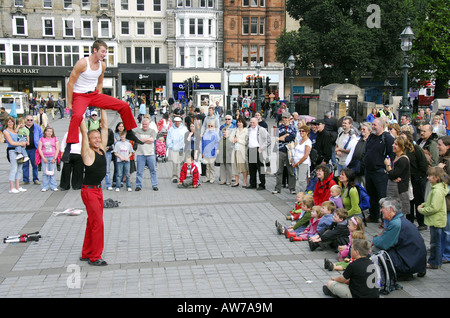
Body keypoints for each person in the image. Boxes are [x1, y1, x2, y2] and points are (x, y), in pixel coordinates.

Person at [63, 40, 140, 163]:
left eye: (106, 52)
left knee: (124, 105)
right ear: (95, 50)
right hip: (79, 96)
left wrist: (99, 100)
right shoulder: (83, 63)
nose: (105, 54)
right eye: (103, 51)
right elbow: (70, 83)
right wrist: (70, 103)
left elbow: (100, 82)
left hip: (93, 95)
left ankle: (129, 131)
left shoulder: (102, 65)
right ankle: (69, 146)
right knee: (77, 116)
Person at [79, 109, 109, 266]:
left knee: (92, 222)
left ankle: (86, 252)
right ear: (89, 141)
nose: (97, 140)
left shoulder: (102, 149)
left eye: (98, 137)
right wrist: (79, 114)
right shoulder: (87, 153)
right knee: (98, 224)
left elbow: (104, 127)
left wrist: (102, 106)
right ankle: (95, 257)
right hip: (89, 191)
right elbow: (84, 131)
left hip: (97, 190)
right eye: (94, 138)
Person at [372, 197, 427, 280]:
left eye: (383, 207)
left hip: (409, 263)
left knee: (376, 249)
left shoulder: (396, 223)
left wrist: (374, 239)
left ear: (390, 209)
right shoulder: (400, 220)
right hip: (416, 261)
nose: (381, 210)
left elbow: (383, 244)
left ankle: (398, 272)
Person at [418, 167, 449, 269]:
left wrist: (422, 210)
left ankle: (435, 262)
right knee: (436, 242)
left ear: (436, 178)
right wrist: (424, 204)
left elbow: (434, 207)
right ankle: (436, 261)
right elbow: (432, 203)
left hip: (436, 220)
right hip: (438, 220)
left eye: (429, 176)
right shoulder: (438, 188)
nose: (427, 177)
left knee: (435, 243)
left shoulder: (437, 191)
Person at [364, 118, 394, 223]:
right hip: (369, 170)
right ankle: (373, 215)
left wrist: (389, 168)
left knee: (382, 195)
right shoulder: (371, 136)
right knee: (371, 194)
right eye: (372, 124)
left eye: (375, 125)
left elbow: (392, 154)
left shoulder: (388, 138)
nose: (372, 127)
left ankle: (384, 218)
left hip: (380, 171)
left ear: (382, 126)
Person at [384, 136, 413, 218]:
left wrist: (388, 165)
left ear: (402, 147)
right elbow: (391, 174)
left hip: (399, 190)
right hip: (392, 188)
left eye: (396, 144)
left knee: (398, 212)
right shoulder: (395, 157)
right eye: (394, 143)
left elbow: (393, 174)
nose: (393, 145)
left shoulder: (403, 159)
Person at [272, 112, 297, 194]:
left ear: (289, 118)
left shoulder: (293, 127)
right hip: (281, 150)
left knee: (291, 171)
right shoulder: (279, 127)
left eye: (286, 118)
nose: (285, 119)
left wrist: (281, 138)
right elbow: (275, 138)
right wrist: (285, 136)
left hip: (290, 151)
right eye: (284, 118)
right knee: (279, 170)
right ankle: (277, 188)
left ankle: (292, 188)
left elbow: (291, 137)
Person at [3, 117, 27, 193]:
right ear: (6, 123)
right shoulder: (6, 131)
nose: (10, 123)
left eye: (12, 122)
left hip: (19, 150)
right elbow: (11, 142)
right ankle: (11, 187)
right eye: (9, 122)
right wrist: (21, 143)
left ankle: (17, 186)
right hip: (12, 150)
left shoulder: (15, 131)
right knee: (14, 168)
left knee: (19, 168)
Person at [134, 117, 159, 191]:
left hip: (150, 154)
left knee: (153, 170)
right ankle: (138, 185)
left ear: (149, 124)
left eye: (146, 124)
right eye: (143, 124)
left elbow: (152, 140)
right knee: (139, 171)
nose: (144, 126)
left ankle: (155, 185)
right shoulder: (138, 131)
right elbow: (138, 140)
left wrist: (143, 140)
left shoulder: (152, 131)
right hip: (140, 154)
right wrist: (147, 140)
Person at [247, 117, 270, 190]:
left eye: (253, 122)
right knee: (252, 168)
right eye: (251, 122)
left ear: (257, 122)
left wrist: (261, 148)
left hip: (258, 150)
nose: (252, 124)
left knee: (260, 168)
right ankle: (253, 183)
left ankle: (262, 184)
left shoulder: (262, 129)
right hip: (251, 149)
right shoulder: (249, 130)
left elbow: (269, 140)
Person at [437, 136, 450, 264]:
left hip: (448, 201)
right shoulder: (443, 158)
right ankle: (441, 251)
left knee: (447, 230)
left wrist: (440, 171)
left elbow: (447, 180)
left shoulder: (448, 161)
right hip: (443, 200)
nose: (438, 147)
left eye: (440, 144)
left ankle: (447, 253)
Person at [347, 122, 371, 187]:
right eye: (361, 129)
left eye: (364, 129)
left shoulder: (371, 141)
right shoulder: (359, 139)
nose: (362, 130)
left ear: (369, 131)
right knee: (355, 185)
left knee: (366, 186)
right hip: (356, 166)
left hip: (364, 168)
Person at [166, 116, 188, 183]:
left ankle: (182, 176)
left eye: (178, 121)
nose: (177, 123)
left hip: (182, 149)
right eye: (176, 121)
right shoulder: (171, 129)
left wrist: (185, 146)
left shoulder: (184, 129)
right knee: (175, 163)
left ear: (181, 122)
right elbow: (168, 138)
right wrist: (170, 146)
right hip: (174, 149)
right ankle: (174, 176)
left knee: (182, 163)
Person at [38, 126, 60, 192]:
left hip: (52, 157)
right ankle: (45, 186)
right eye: (48, 131)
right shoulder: (41, 139)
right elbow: (40, 149)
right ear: (45, 132)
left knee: (52, 172)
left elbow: (57, 149)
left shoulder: (55, 139)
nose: (49, 133)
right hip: (45, 157)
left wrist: (55, 158)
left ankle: (53, 186)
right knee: (45, 172)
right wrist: (43, 157)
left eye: (51, 131)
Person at [230, 117, 249, 188]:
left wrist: (238, 140)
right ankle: (236, 182)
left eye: (240, 122)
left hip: (242, 151)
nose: (239, 123)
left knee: (244, 167)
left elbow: (246, 142)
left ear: (243, 123)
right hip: (235, 150)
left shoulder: (246, 131)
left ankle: (244, 182)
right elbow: (231, 138)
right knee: (235, 166)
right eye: (238, 122)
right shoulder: (235, 130)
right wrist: (233, 140)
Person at [292, 125, 311, 192]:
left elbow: (306, 155)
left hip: (303, 163)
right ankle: (300, 194)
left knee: (302, 180)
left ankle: (304, 195)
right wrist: (294, 161)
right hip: (297, 161)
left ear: (307, 132)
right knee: (298, 179)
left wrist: (298, 163)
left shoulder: (308, 142)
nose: (301, 132)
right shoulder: (300, 140)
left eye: (303, 131)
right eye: (300, 131)